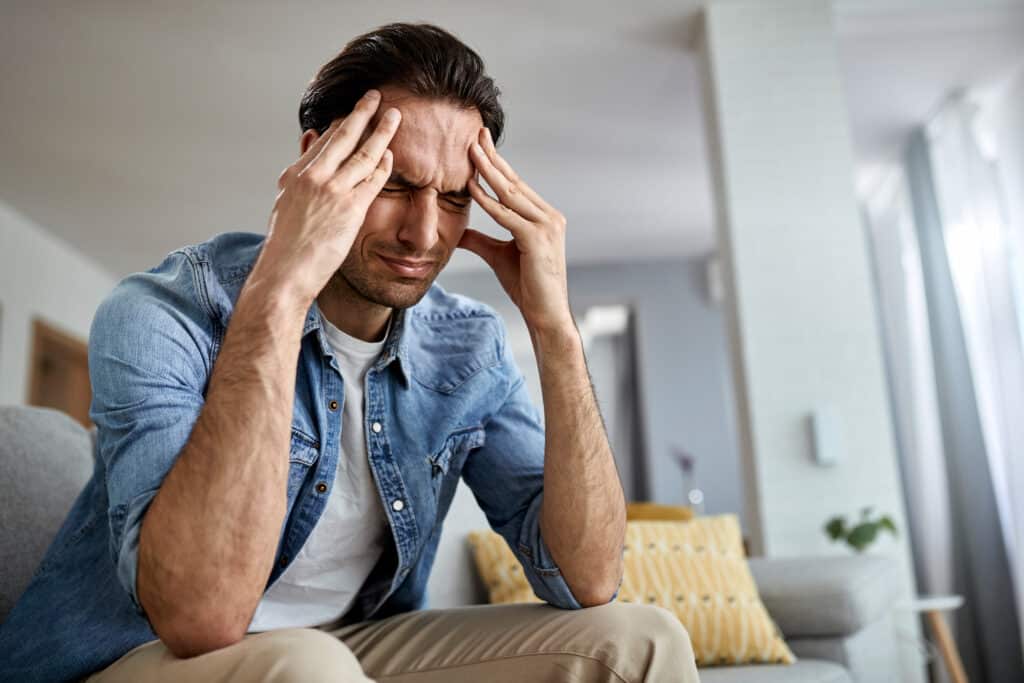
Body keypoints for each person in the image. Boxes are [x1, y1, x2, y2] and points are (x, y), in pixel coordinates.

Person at [0, 23, 698, 683]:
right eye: (394, 184)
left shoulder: (468, 346)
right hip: (137, 654)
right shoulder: (162, 311)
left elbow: (586, 579)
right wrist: (279, 293)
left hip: (347, 648)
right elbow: (198, 616)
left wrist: (555, 332)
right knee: (308, 666)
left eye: (454, 198)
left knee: (641, 639)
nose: (425, 234)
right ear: (315, 163)